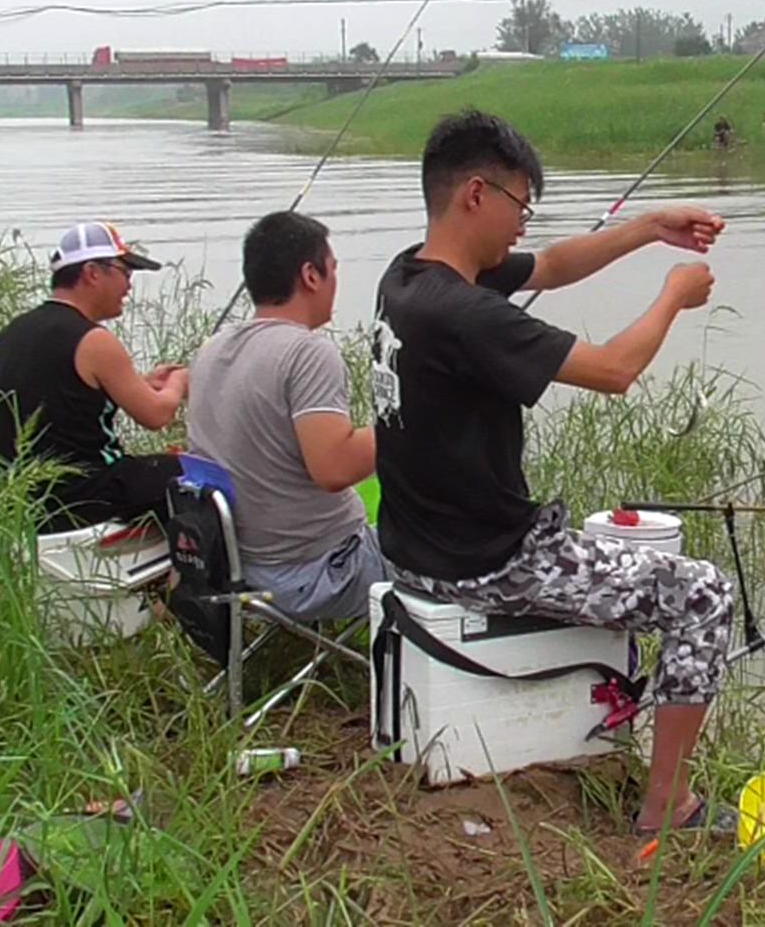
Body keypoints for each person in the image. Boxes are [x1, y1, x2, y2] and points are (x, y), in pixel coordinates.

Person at [370, 109, 736, 836]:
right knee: (702, 595)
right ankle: (669, 806)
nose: (522, 225)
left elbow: (552, 267)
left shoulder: (407, 276)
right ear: (476, 193)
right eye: (520, 205)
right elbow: (615, 370)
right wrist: (673, 293)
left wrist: (649, 227)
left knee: (625, 555)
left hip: (415, 549)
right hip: (486, 561)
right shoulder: (463, 314)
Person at [186, 212, 386, 622]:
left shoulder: (212, 348)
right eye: (332, 269)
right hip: (317, 574)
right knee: (451, 550)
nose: (335, 282)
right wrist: (407, 421)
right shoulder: (308, 352)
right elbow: (335, 469)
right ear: (311, 275)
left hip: (231, 569)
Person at [0, 222, 188, 532]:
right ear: (92, 273)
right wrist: (179, 381)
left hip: (27, 495)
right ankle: (204, 564)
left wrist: (139, 385)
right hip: (87, 494)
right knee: (201, 475)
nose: (129, 286)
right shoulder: (94, 340)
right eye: (125, 272)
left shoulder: (15, 331)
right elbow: (157, 415)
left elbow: (60, 397)